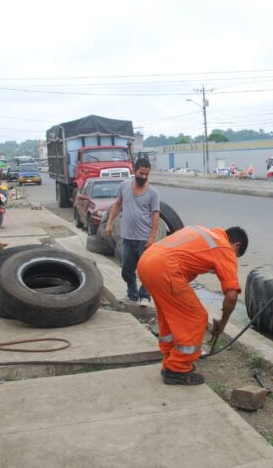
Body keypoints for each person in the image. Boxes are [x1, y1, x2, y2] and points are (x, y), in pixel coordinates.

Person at [137, 225, 248, 385]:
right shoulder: (224, 248)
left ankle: (169, 362)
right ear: (236, 246)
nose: (233, 257)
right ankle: (178, 369)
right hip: (164, 268)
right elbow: (231, 296)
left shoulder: (203, 232)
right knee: (196, 317)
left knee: (169, 314)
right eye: (236, 255)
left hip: (146, 262)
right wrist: (223, 323)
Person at [105, 158, 160, 302]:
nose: (143, 177)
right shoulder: (124, 186)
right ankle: (132, 291)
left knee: (147, 270)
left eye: (146, 174)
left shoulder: (153, 192)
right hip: (128, 237)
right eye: (141, 173)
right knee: (127, 271)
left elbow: (155, 215)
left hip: (145, 239)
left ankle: (144, 295)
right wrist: (109, 223)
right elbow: (117, 204)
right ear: (134, 171)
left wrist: (152, 237)